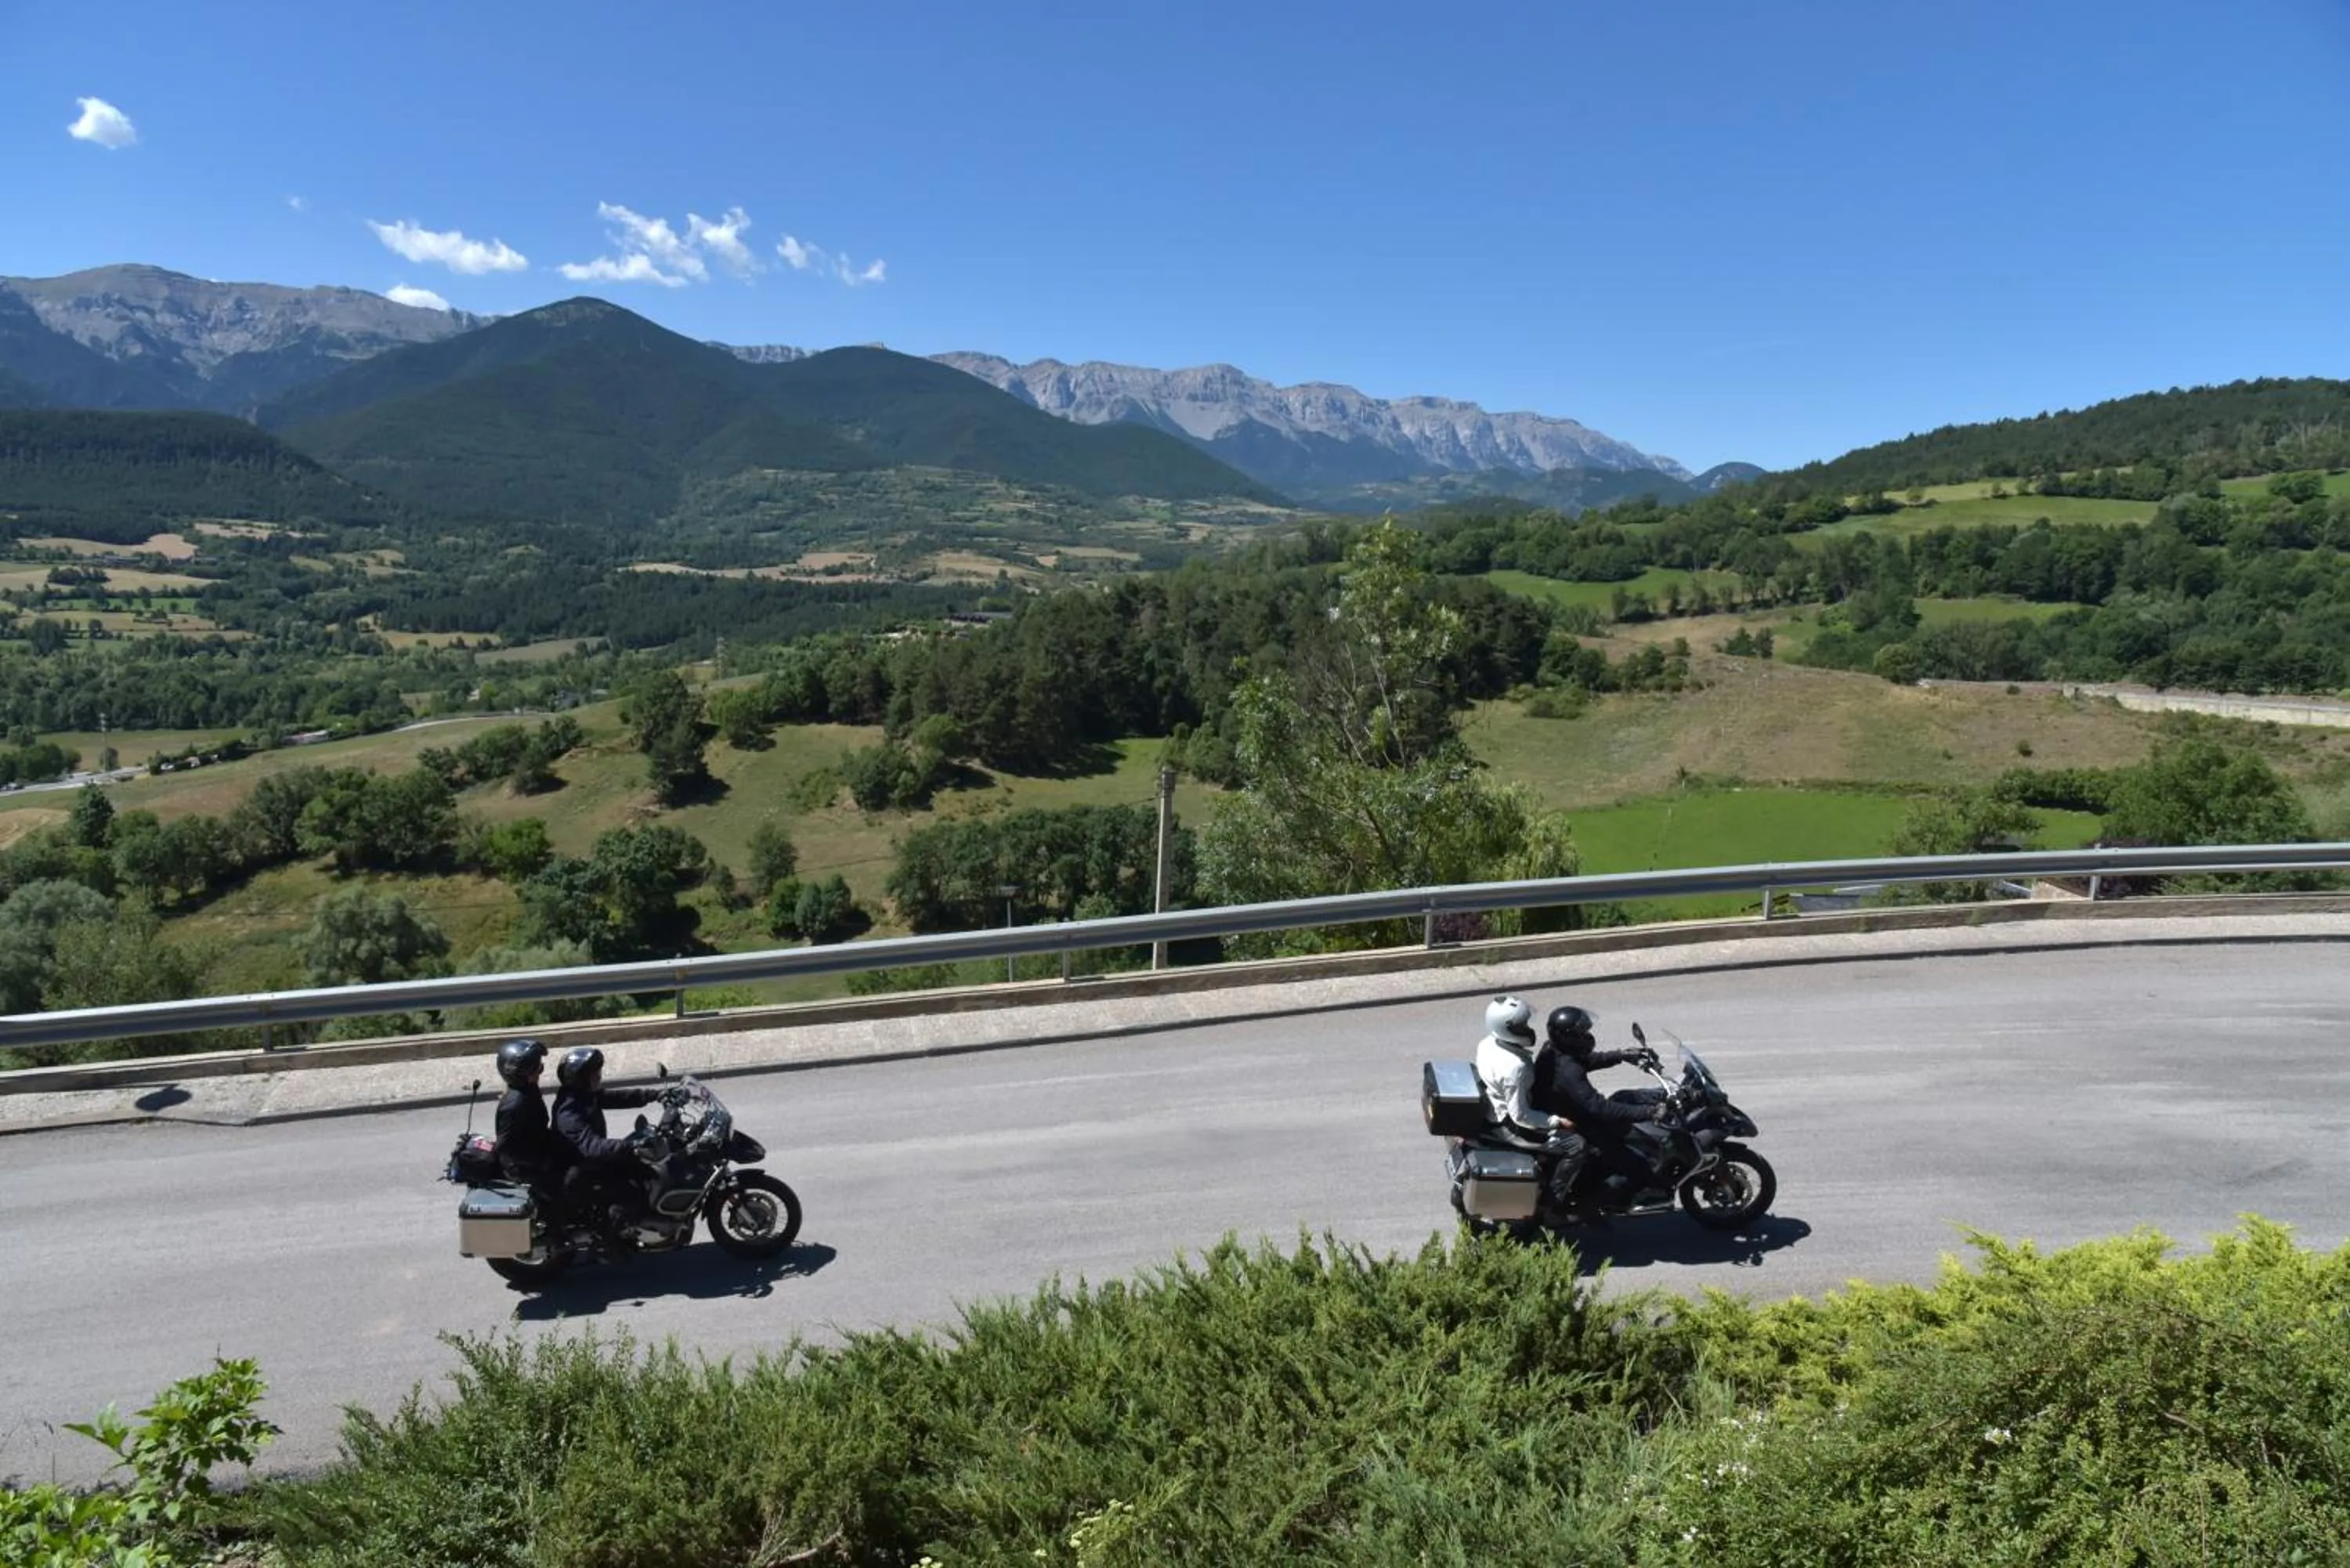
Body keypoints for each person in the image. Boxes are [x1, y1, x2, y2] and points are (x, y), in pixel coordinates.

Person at [1529, 1006, 1671, 1207]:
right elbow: (1599, 1108)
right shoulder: (1568, 1071)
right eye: (1582, 1033)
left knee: (1625, 1097)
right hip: (1573, 1122)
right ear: (1569, 1037)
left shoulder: (1554, 1050)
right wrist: (1649, 1112)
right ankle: (1622, 1196)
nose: (1587, 1036)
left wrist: (1622, 1055)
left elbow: (1587, 1061)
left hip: (1568, 1111)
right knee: (1636, 1159)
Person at [552, 1046, 660, 1234]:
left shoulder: (583, 1096)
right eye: (595, 1074)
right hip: (581, 1169)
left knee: (643, 1170)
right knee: (632, 1191)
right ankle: (610, 1241)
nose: (600, 1077)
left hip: (590, 1162)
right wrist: (630, 1145)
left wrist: (653, 1095)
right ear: (582, 1079)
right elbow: (592, 1147)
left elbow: (616, 1098)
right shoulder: (568, 1112)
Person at [490, 1038, 569, 1190]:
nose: (540, 1071)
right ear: (521, 1074)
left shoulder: (528, 1091)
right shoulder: (516, 1104)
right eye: (536, 1068)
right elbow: (504, 1147)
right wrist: (537, 1166)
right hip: (526, 1166)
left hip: (538, 1149)